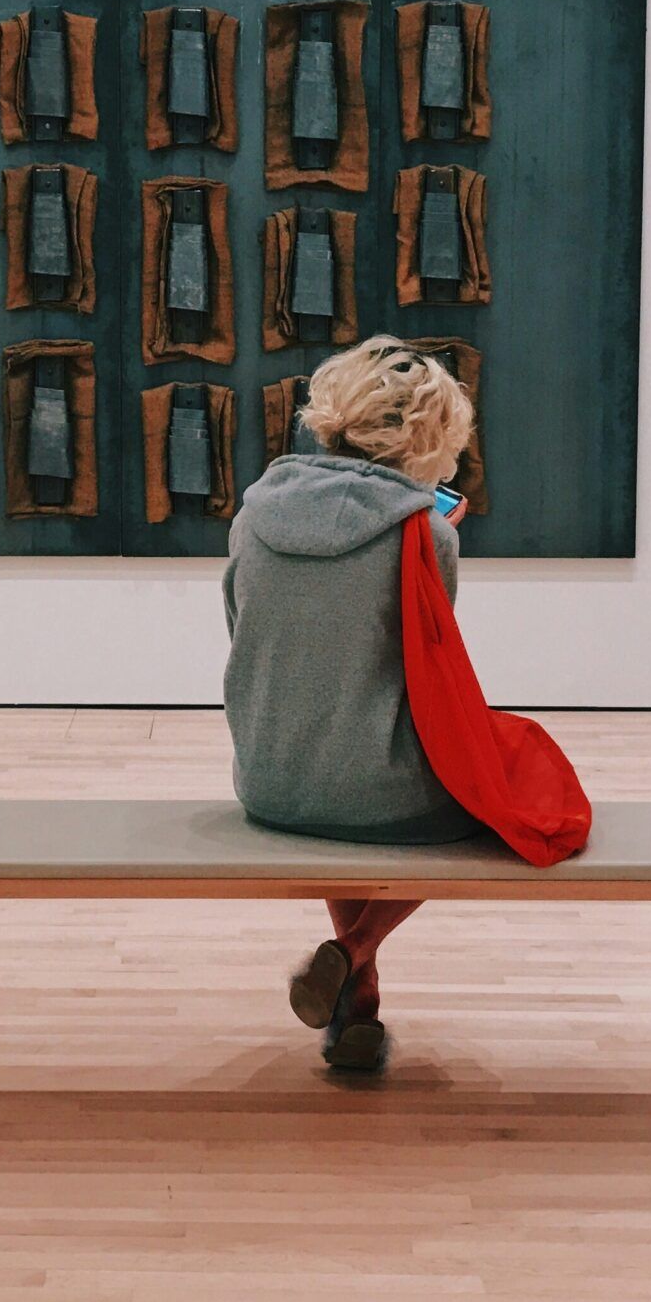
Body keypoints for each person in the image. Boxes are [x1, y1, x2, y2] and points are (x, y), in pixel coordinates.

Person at [222, 336, 480, 1073]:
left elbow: (245, 632)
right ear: (433, 434)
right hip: (371, 791)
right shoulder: (425, 532)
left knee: (344, 751)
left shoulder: (252, 515)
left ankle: (358, 1011)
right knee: (481, 810)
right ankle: (351, 950)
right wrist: (431, 547)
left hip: (270, 779)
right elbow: (425, 677)